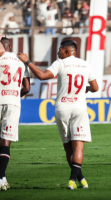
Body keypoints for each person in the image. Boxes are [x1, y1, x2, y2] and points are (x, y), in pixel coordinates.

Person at [17, 40, 98, 190]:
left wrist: (27, 61)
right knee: (78, 148)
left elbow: (41, 76)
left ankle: (78, 179)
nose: (58, 53)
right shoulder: (85, 64)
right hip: (79, 108)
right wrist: (84, 89)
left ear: (67, 51)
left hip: (62, 108)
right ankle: (74, 179)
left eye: (59, 50)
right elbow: (95, 87)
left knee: (68, 149)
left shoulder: (60, 63)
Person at [0, 37, 30, 190]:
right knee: (5, 140)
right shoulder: (21, 61)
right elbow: (26, 88)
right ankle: (1, 177)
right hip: (12, 102)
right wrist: (12, 95)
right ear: (10, 46)